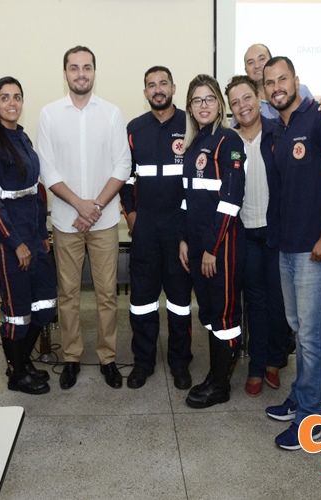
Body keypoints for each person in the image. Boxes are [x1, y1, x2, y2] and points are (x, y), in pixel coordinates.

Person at [261, 57, 321, 451]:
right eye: (269, 82)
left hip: (317, 249)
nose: (277, 87)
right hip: (288, 246)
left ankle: (312, 420)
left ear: (297, 81)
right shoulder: (280, 129)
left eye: (283, 79)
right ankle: (301, 397)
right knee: (299, 328)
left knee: (312, 335)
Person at [38, 46, 132, 390]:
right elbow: (47, 168)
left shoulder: (111, 113)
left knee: (107, 294)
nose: (81, 73)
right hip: (66, 221)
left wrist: (95, 206)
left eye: (87, 67)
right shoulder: (49, 114)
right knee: (68, 294)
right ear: (65, 73)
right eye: (74, 67)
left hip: (104, 221)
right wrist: (80, 205)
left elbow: (123, 165)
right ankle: (72, 357)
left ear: (94, 71)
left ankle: (108, 358)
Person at [0, 76, 57, 395]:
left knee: (45, 304)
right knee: (18, 312)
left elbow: (35, 192)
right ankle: (16, 372)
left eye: (17, 97)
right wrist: (16, 243)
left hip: (33, 237)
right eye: (5, 97)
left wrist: (41, 234)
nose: (12, 103)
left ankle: (23, 362)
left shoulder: (22, 138)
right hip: (7, 240)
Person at [121, 66, 193, 390]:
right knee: (142, 301)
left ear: (174, 88)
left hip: (179, 231)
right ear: (145, 92)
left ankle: (180, 362)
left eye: (163, 83)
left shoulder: (190, 125)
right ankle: (143, 361)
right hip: (146, 230)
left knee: (179, 302)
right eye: (151, 85)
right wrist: (131, 215)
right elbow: (125, 177)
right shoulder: (134, 129)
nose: (158, 89)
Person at [179, 74, 246, 409]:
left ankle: (221, 384)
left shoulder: (228, 140)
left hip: (220, 246)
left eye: (209, 99)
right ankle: (214, 376)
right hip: (196, 244)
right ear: (190, 107)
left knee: (224, 314)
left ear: (219, 103)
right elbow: (187, 198)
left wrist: (211, 249)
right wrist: (184, 240)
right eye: (197, 100)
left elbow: (232, 199)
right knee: (208, 311)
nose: (203, 105)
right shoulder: (194, 144)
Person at [224, 75, 289, 397]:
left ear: (258, 97)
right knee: (255, 303)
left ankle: (274, 361)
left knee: (278, 302)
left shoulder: (279, 132)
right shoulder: (228, 141)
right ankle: (256, 365)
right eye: (235, 102)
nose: (242, 106)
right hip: (244, 234)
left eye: (246, 98)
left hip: (276, 234)